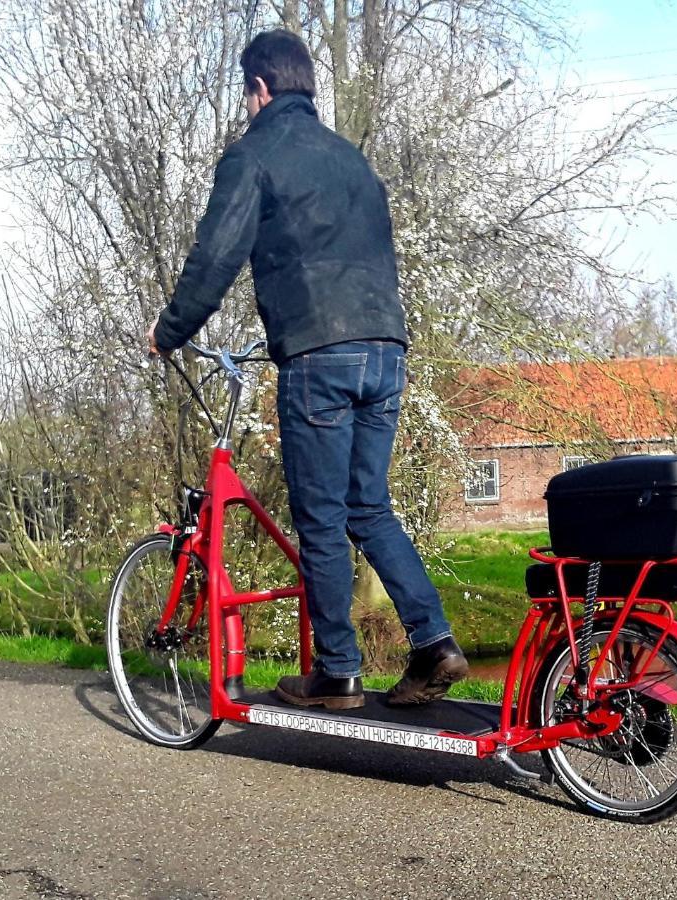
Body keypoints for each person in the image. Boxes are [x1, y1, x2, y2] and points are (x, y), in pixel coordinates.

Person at [147, 29, 468, 710]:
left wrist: (170, 331)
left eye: (246, 95)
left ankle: (337, 672)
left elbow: (215, 259)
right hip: (386, 344)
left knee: (320, 517)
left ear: (259, 89)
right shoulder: (352, 160)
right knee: (368, 507)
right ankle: (434, 643)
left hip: (320, 354)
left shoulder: (254, 154)